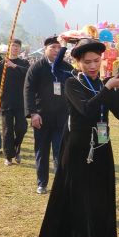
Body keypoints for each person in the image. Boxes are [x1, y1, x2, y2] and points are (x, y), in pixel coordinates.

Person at [33, 39, 119, 237]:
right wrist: (107, 89)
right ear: (78, 62)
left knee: (101, 204)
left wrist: (118, 88)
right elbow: (86, 110)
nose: (93, 66)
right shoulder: (72, 83)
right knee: (81, 204)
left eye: (97, 61)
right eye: (87, 62)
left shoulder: (102, 83)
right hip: (78, 150)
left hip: (102, 147)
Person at [24, 35, 73, 192]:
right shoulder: (37, 67)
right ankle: (42, 183)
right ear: (45, 49)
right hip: (41, 117)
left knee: (60, 152)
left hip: (62, 118)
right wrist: (33, 113)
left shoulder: (67, 67)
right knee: (42, 151)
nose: (56, 50)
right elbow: (28, 91)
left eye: (59, 48)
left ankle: (60, 185)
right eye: (53, 47)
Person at [0, 39, 30, 166]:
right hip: (6, 102)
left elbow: (29, 75)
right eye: (13, 46)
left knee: (21, 128)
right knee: (7, 130)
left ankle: (16, 147)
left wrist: (14, 66)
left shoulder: (24, 63)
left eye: (17, 47)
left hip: (21, 102)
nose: (15, 48)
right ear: (9, 48)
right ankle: (8, 156)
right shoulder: (2, 64)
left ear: (20, 49)